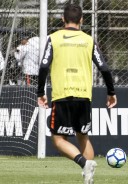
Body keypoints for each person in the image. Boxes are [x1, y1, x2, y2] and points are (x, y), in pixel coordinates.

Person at [37, 4, 117, 184]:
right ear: (82, 20)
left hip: (62, 95)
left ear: (63, 20)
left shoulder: (54, 38)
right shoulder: (88, 40)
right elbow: (104, 67)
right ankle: (88, 176)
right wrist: (111, 92)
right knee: (83, 137)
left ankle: (83, 164)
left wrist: (40, 91)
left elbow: (43, 66)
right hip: (84, 96)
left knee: (58, 140)